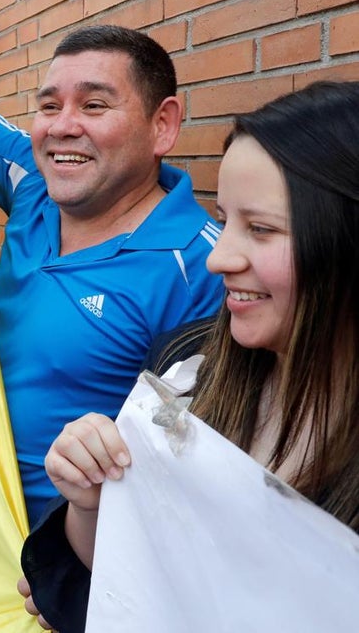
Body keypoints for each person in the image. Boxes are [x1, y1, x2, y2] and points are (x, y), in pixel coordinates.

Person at [18, 81, 359, 632]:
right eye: (225, 220)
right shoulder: (185, 364)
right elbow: (112, 576)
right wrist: (89, 502)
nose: (218, 258)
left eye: (261, 229)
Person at [0, 25, 224, 525]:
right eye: (50, 106)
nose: (63, 126)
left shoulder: (204, 269)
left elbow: (198, 468)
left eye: (94, 105)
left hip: (56, 554)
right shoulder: (34, 181)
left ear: (162, 125)